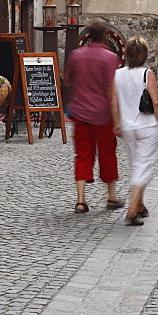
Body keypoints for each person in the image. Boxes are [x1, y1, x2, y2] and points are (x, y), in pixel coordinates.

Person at [63, 18, 121, 214]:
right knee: (107, 153)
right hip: (103, 114)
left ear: (88, 35)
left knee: (83, 154)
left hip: (81, 112)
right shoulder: (110, 58)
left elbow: (68, 81)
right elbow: (110, 90)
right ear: (105, 36)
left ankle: (80, 200)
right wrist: (117, 118)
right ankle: (111, 196)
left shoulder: (76, 56)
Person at [111, 36, 158, 227]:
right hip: (146, 126)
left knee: (136, 165)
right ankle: (132, 211)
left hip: (128, 127)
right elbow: (156, 102)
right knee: (143, 167)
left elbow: (114, 101)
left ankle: (140, 205)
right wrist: (157, 121)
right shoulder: (147, 74)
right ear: (144, 55)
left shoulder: (118, 74)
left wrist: (117, 124)